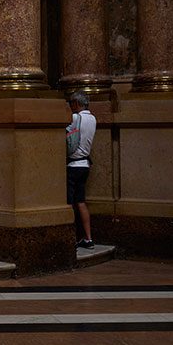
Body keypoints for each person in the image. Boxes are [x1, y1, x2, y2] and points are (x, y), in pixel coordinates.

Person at [66, 91, 97, 248]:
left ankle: (69, 237)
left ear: (76, 104)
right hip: (84, 165)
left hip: (72, 166)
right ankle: (88, 238)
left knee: (69, 203)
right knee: (81, 202)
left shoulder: (75, 118)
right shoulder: (92, 119)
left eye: (71, 104)